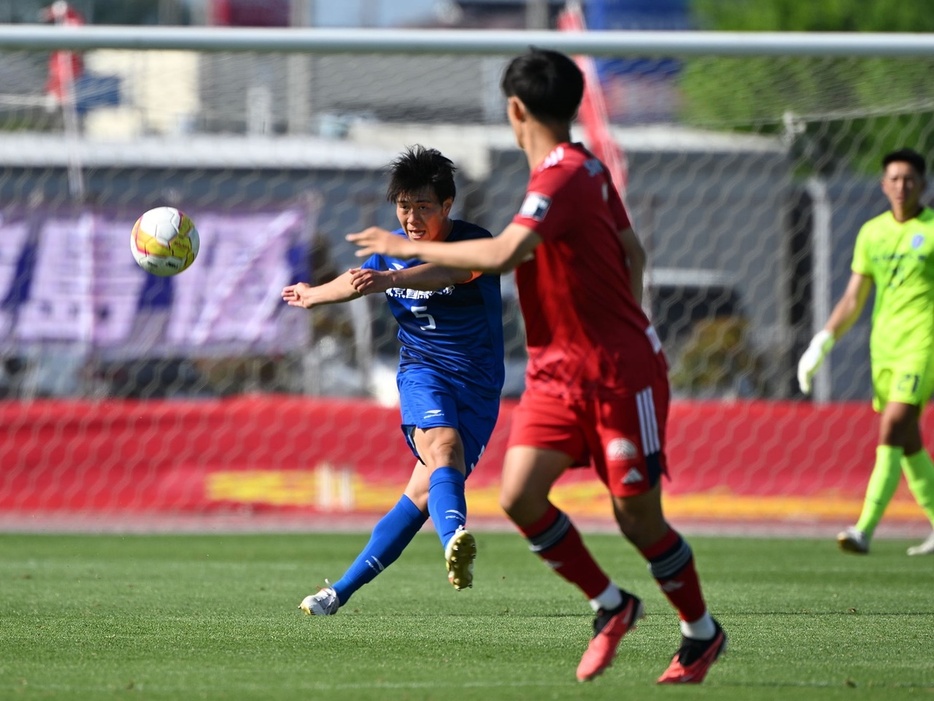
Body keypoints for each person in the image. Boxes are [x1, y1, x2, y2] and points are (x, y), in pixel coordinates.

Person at [349, 48, 725, 685]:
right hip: (557, 373)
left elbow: (500, 254)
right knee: (519, 495)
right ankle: (612, 606)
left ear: (515, 109)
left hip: (614, 372)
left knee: (636, 516)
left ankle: (699, 632)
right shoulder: (580, 174)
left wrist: (397, 246)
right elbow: (632, 250)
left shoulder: (563, 177)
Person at [282, 145, 505, 612]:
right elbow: (357, 279)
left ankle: (335, 593)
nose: (412, 217)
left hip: (479, 385)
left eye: (424, 206)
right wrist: (312, 295)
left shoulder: (473, 241)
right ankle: (455, 539)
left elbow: (449, 269)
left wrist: (386, 279)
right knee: (443, 448)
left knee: (423, 491)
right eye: (405, 206)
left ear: (447, 206)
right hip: (423, 372)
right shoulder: (388, 251)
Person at [798, 147, 934, 557]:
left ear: (923, 185)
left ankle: (864, 528)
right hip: (885, 349)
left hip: (922, 344)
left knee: (892, 425)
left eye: (909, 179)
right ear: (882, 185)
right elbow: (853, 297)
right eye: (893, 178)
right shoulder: (871, 232)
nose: (901, 186)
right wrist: (821, 343)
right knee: (907, 440)